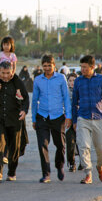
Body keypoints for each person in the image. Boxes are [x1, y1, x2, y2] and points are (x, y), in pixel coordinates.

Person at [72, 55, 102, 184]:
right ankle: (88, 173)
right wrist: (74, 120)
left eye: (84, 67)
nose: (82, 69)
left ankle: (100, 166)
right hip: (82, 118)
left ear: (92, 67)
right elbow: (74, 102)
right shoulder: (78, 81)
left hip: (99, 118)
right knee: (83, 146)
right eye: (81, 67)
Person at [0, 61, 29, 182]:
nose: (5, 76)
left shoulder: (17, 81)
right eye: (2, 73)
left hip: (14, 119)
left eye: (7, 73)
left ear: (12, 71)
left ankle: (11, 172)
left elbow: (25, 98)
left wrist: (24, 111)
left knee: (14, 147)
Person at [31, 55, 72, 183]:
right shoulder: (38, 80)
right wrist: (33, 118)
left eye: (49, 65)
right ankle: (46, 173)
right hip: (42, 116)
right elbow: (34, 100)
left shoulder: (61, 78)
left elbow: (66, 97)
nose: (47, 68)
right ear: (42, 66)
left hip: (58, 116)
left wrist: (68, 116)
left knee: (60, 145)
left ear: (54, 65)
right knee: (42, 144)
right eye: (45, 66)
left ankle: (59, 166)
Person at [0, 36, 24, 107]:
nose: (6, 46)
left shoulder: (13, 55)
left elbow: (14, 65)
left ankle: (18, 92)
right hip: (0, 73)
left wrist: (13, 73)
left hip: (10, 72)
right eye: (4, 44)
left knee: (17, 80)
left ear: (11, 45)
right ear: (2, 45)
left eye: (8, 45)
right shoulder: (0, 54)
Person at [65, 73, 83, 172]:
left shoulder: (81, 91)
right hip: (69, 121)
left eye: (74, 80)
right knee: (70, 143)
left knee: (81, 143)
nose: (72, 83)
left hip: (80, 121)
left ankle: (82, 161)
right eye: (70, 80)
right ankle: (72, 163)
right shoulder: (65, 93)